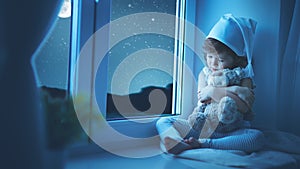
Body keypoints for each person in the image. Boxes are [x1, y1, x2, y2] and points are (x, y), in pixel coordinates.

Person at [156, 13, 265, 155]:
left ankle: (202, 144)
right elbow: (203, 96)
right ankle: (176, 142)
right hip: (202, 127)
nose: (213, 63)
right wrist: (235, 91)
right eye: (210, 57)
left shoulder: (244, 77)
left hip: (230, 132)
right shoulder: (205, 74)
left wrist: (213, 91)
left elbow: (244, 108)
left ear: (235, 58)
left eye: (220, 60)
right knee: (163, 121)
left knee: (257, 138)